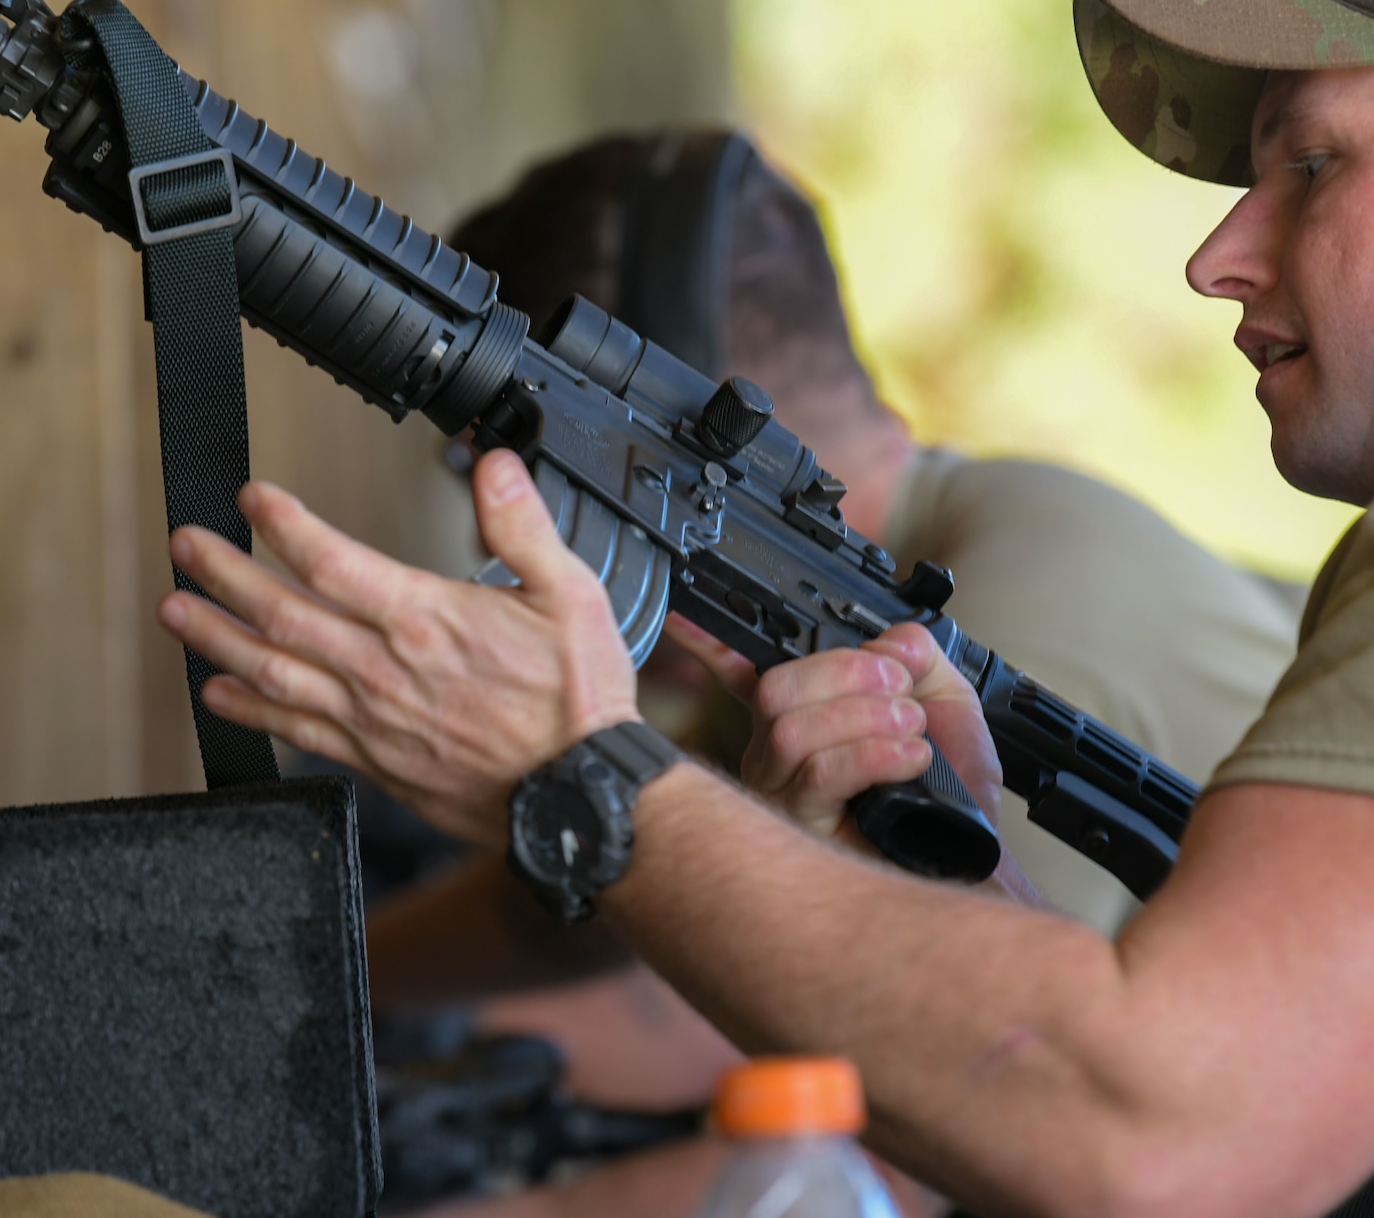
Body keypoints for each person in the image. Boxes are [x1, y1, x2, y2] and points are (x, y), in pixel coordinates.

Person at [161, 0, 1374, 1215]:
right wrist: (961, 908)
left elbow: (1150, 1135)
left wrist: (586, 778)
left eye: (1312, 163)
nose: (1215, 257)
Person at [357, 132, 1301, 1202]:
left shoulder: (1002, 645)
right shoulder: (814, 601)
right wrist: (323, 967)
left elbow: (869, 1170)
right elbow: (600, 877)